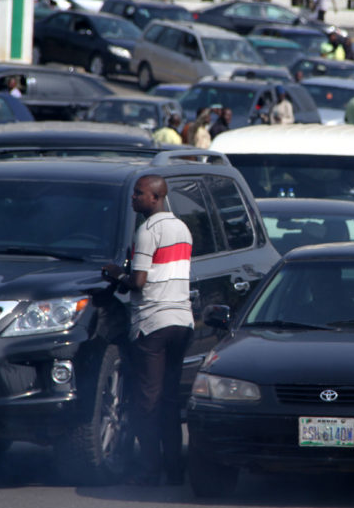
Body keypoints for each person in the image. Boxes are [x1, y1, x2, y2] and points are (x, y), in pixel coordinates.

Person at [102, 175, 193, 487]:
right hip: (182, 323)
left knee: (148, 401)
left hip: (154, 324)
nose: (133, 199)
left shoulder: (148, 230)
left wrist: (116, 274)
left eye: (138, 194)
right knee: (169, 399)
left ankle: (150, 470)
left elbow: (139, 283)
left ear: (156, 197)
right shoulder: (182, 228)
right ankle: (175, 470)